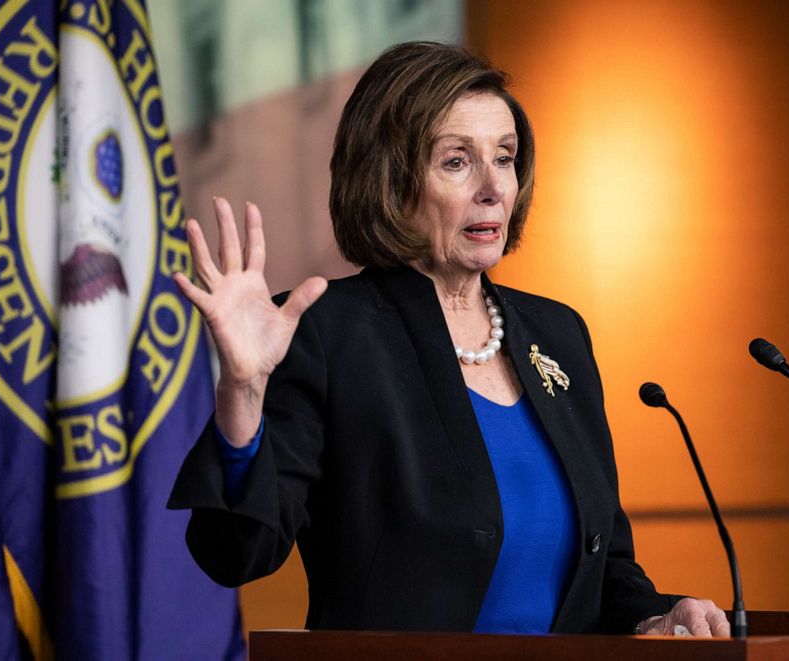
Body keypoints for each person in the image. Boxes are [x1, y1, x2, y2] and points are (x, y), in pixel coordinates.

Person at [168, 41, 729, 637]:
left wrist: (654, 616)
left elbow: (605, 564)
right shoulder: (328, 334)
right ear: (389, 179)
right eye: (456, 161)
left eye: (506, 157)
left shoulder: (558, 334)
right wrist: (243, 391)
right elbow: (233, 552)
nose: (493, 188)